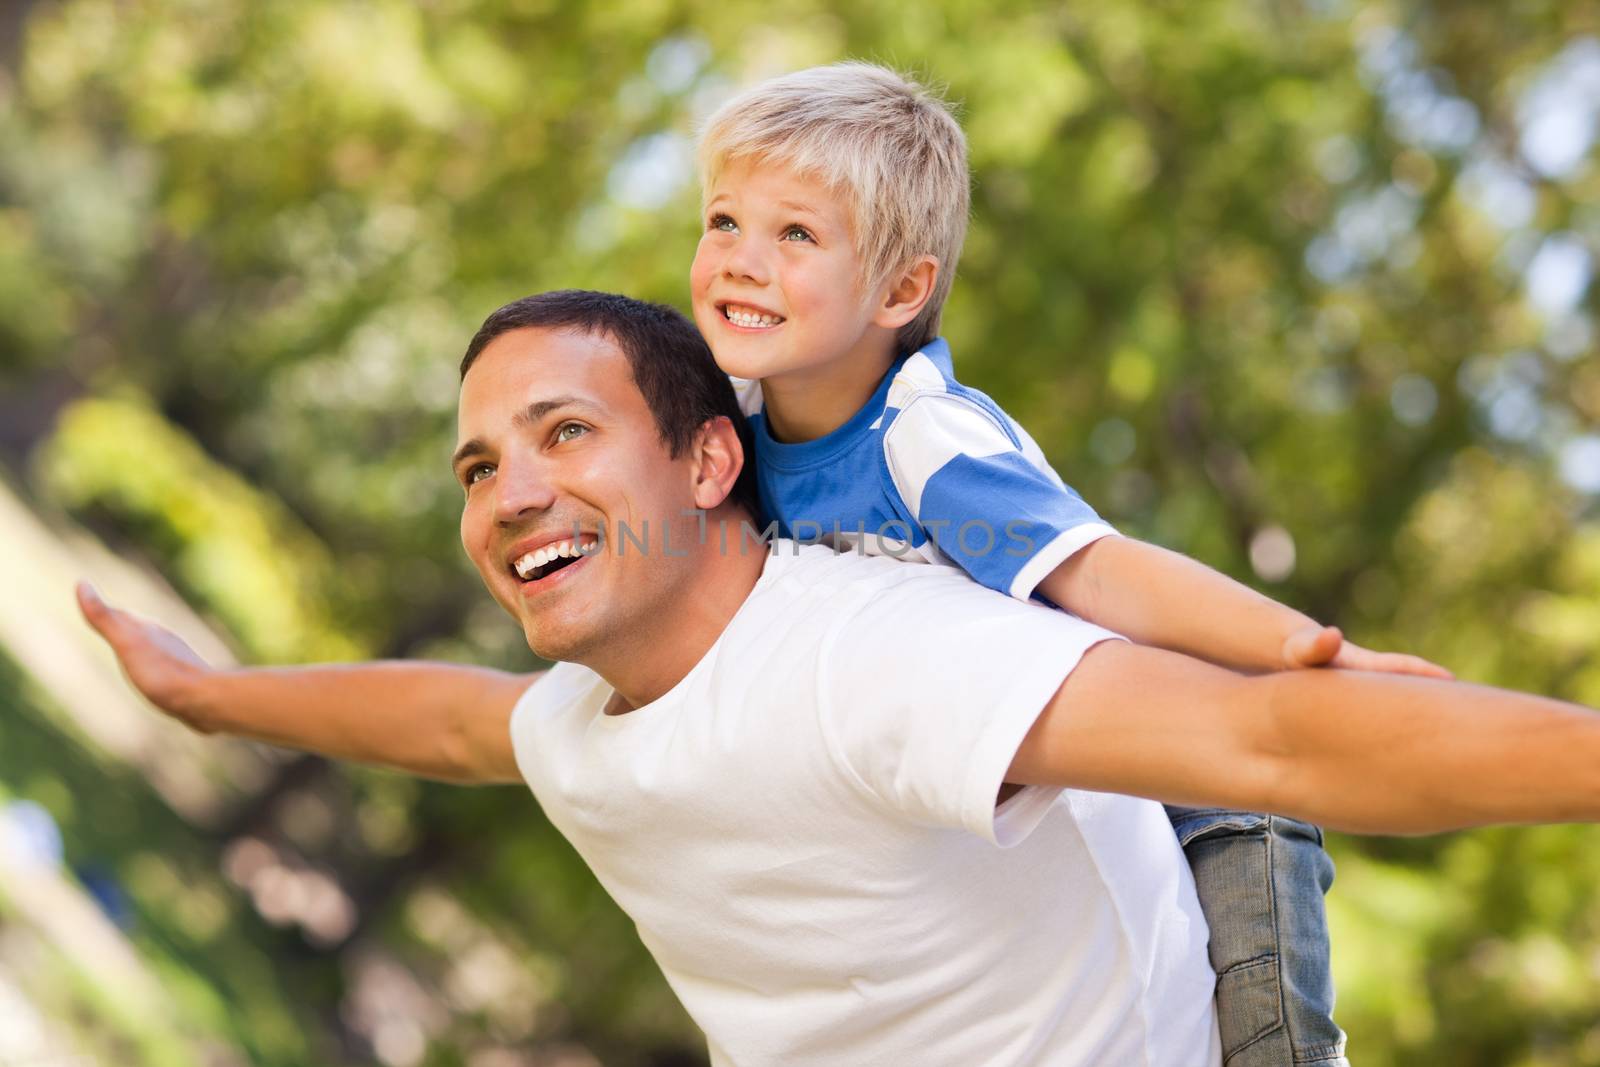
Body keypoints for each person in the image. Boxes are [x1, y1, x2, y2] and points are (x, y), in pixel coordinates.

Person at [81, 291, 1600, 1066]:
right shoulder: (593, 717)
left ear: (707, 456)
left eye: (563, 434)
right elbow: (449, 718)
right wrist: (212, 693)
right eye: (479, 464)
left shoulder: (875, 656)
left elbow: (1271, 740)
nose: (509, 494)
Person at [683, 62, 1448, 1066]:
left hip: (1193, 768)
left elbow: (1101, 572)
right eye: (723, 221)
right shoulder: (729, 442)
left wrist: (1299, 648)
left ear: (901, 288)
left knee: (1270, 1045)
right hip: (1009, 815)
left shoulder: (924, 441)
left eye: (796, 234)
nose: (740, 258)